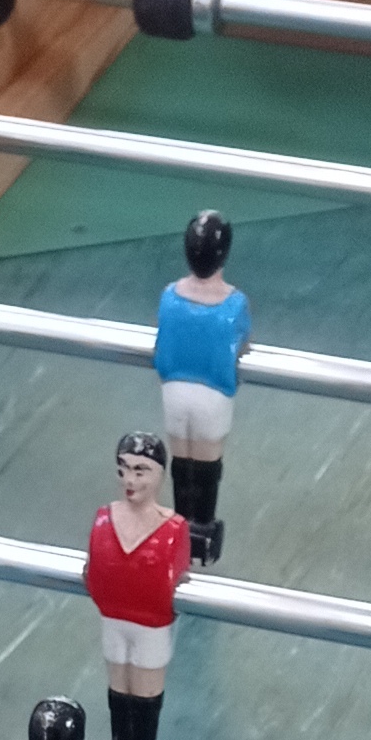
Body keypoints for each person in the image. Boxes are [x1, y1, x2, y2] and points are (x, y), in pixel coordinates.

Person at [84, 431, 192, 740]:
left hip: (150, 624)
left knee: (144, 684)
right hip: (115, 617)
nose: (130, 480)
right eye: (124, 470)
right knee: (119, 681)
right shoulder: (105, 519)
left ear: (160, 474)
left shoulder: (173, 529)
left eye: (140, 471)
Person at [154, 208, 250, 562]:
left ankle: (180, 527)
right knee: (207, 464)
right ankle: (203, 530)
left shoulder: (169, 296)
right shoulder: (234, 303)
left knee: (181, 460)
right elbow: (242, 341)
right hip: (213, 393)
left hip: (174, 390)